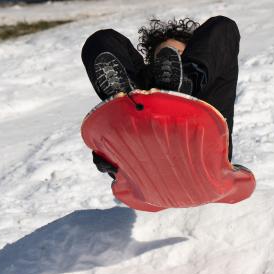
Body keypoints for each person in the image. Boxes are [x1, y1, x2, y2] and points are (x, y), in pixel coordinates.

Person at [81, 16, 241, 175]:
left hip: (205, 150)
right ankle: (122, 99)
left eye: (178, 55)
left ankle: (186, 80)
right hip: (142, 152)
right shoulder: (147, 82)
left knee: (223, 26)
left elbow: (217, 45)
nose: (167, 65)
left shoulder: (214, 87)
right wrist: (107, 153)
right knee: (101, 39)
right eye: (161, 60)